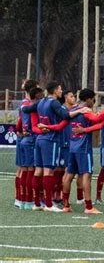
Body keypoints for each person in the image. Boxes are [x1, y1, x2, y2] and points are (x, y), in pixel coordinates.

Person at [22, 81, 90, 212]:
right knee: (49, 171)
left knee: (38, 170)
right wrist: (80, 110)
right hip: (51, 139)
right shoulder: (54, 102)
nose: (61, 91)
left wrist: (40, 123)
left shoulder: (41, 102)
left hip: (40, 139)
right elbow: (65, 115)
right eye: (60, 88)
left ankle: (37, 203)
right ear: (55, 90)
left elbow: (26, 109)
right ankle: (48, 204)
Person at [58, 89, 104, 214]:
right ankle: (88, 207)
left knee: (69, 175)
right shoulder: (86, 111)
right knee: (86, 175)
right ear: (88, 99)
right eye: (93, 100)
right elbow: (97, 119)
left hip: (72, 147)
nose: (93, 102)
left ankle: (65, 205)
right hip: (83, 148)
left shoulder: (72, 110)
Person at [16, 79, 39, 209]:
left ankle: (21, 199)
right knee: (30, 169)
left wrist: (19, 130)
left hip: (24, 138)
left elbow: (19, 121)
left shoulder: (25, 103)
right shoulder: (29, 104)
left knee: (23, 169)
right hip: (30, 138)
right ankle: (27, 200)